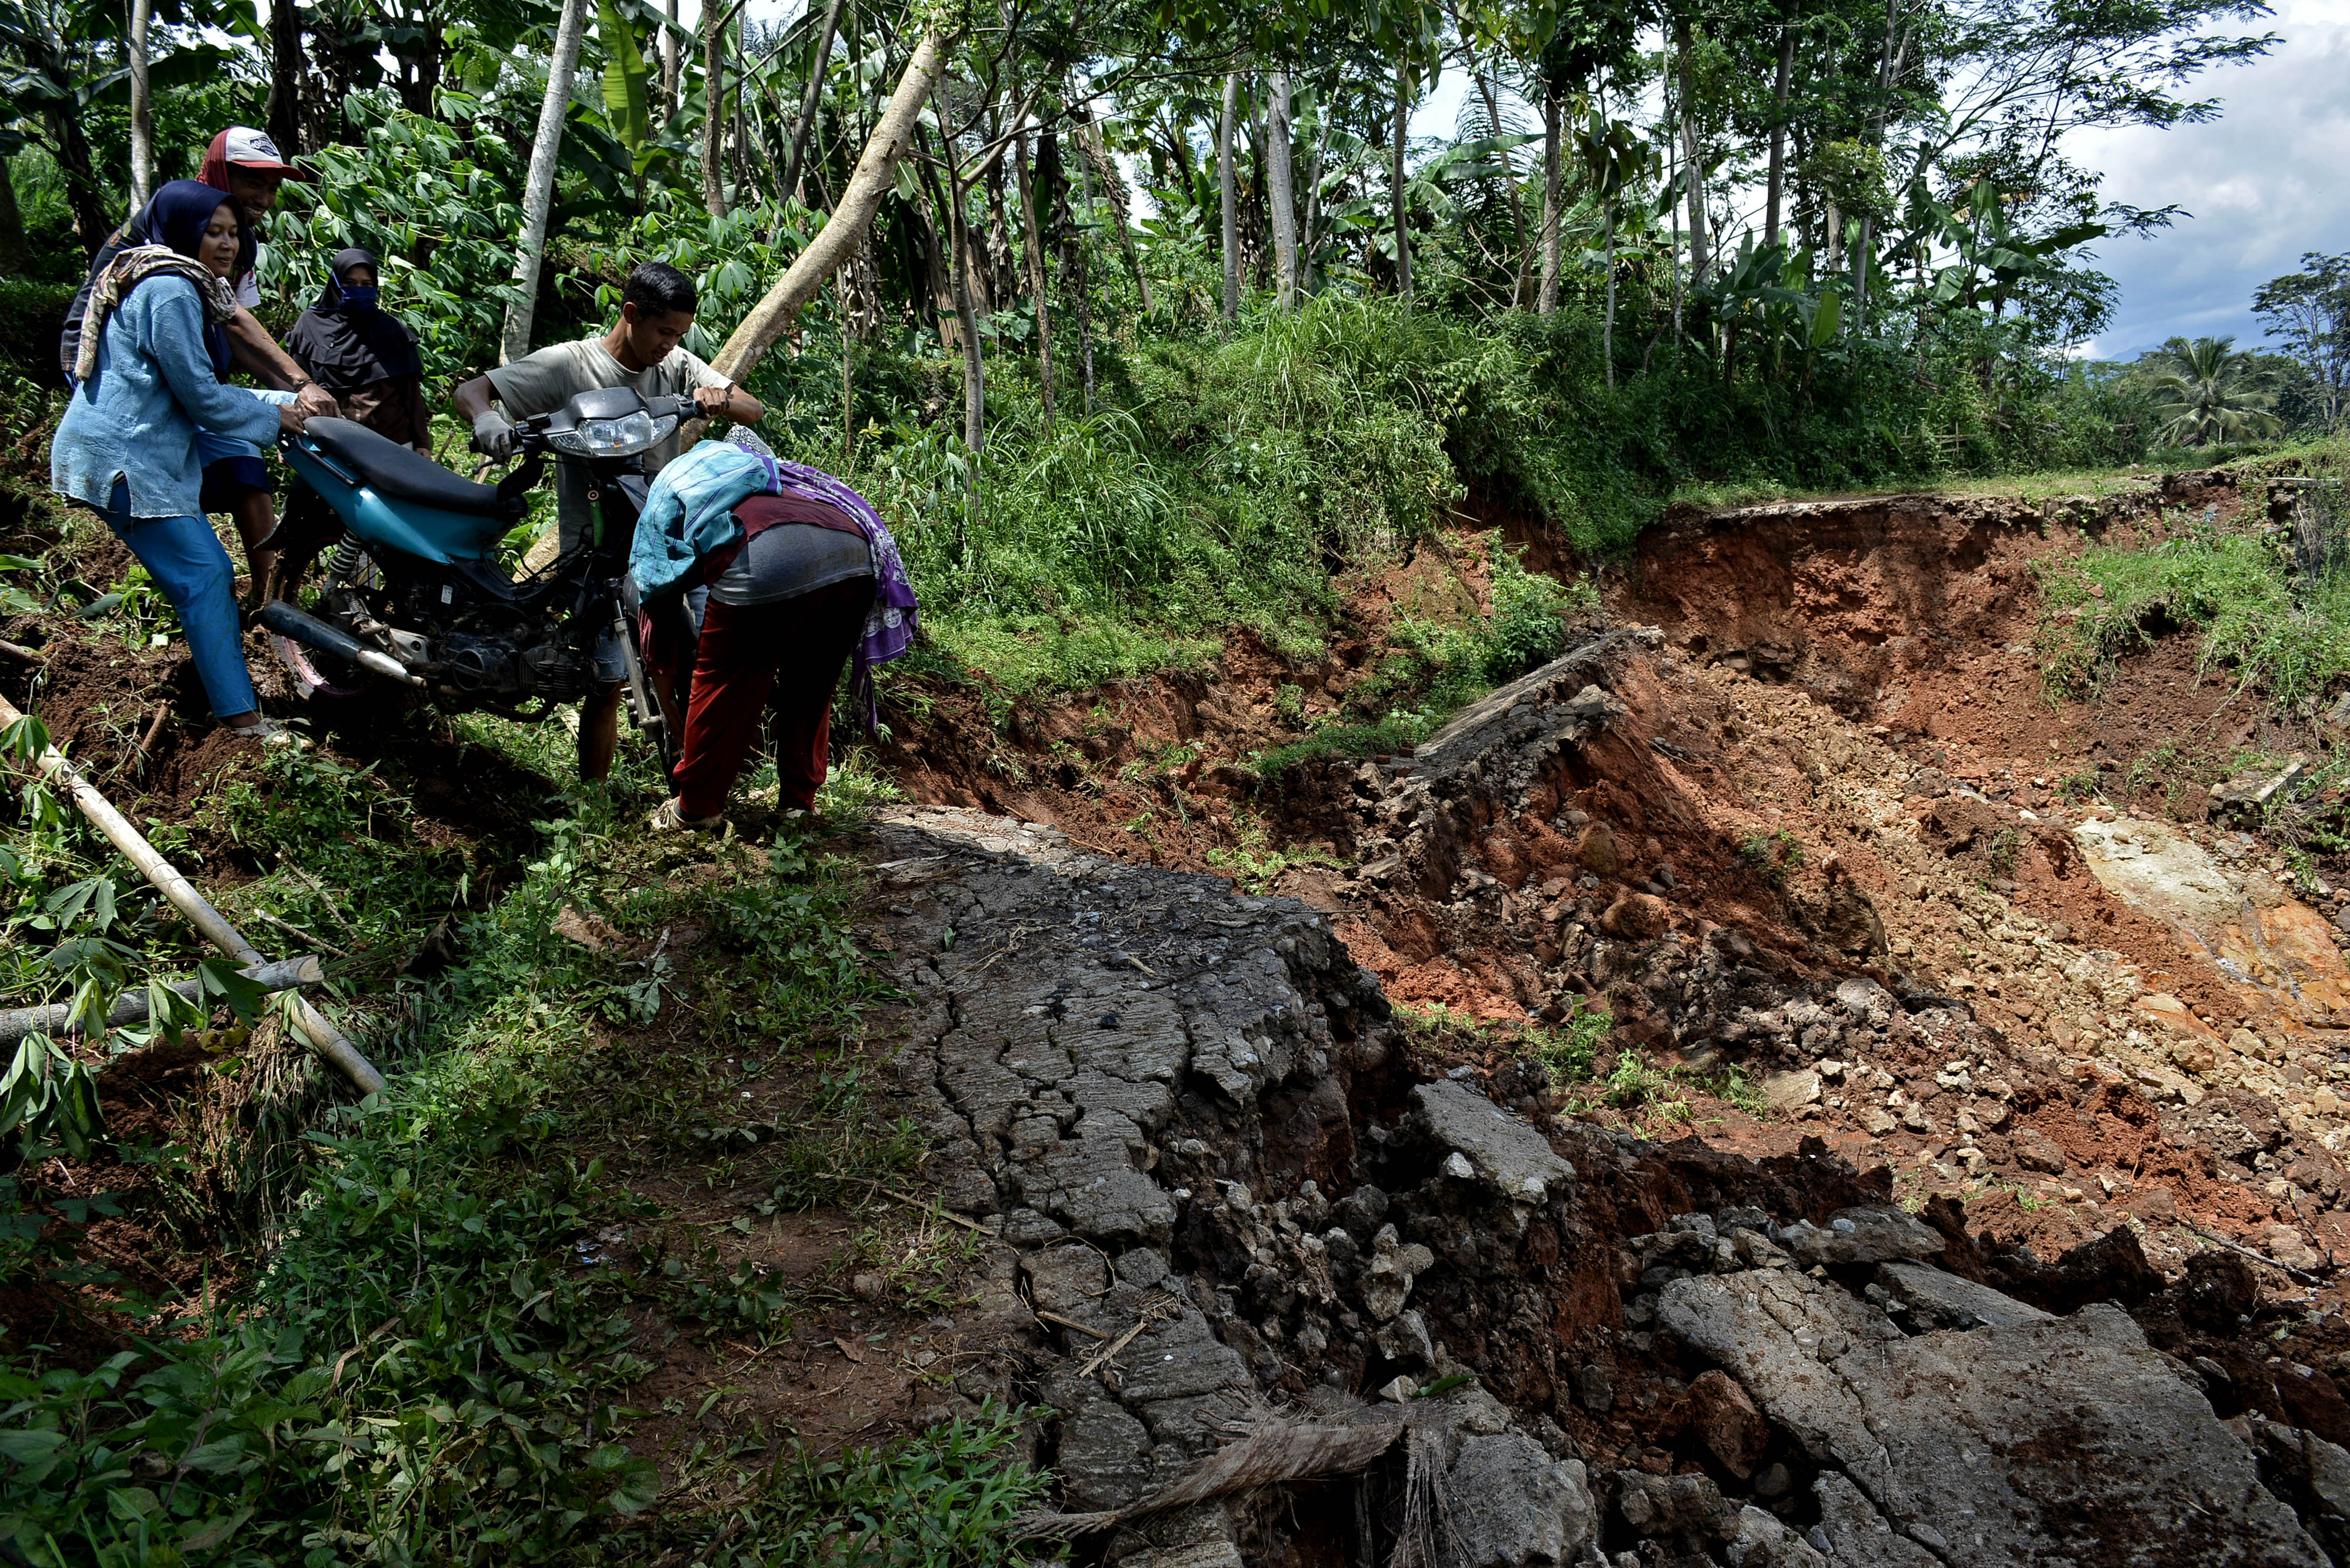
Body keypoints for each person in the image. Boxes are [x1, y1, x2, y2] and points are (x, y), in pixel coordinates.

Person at [451, 261, 765, 781]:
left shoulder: (678, 364)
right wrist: (488, 420)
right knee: (605, 678)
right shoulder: (569, 365)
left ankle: (703, 779)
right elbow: (471, 391)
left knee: (701, 650)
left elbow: (752, 409)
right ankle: (592, 801)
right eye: (663, 331)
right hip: (593, 549)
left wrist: (722, 397)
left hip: (666, 542)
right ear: (631, 314)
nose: (670, 344)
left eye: (679, 334)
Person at [50, 180, 308, 740]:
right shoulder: (171, 290)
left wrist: (289, 401)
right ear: (181, 230)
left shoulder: (172, 280)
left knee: (211, 543)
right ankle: (240, 718)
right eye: (211, 231)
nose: (226, 245)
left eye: (234, 233)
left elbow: (193, 393)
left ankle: (229, 688)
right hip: (122, 459)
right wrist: (277, 416)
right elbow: (202, 395)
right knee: (206, 573)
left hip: (133, 444)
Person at [59, 126, 338, 604]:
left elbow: (232, 318)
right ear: (217, 174)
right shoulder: (176, 220)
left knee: (244, 461)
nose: (264, 198)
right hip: (123, 375)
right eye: (254, 182)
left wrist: (298, 390)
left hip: (189, 365)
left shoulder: (239, 242)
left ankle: (269, 602)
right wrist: (296, 383)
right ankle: (208, 583)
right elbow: (230, 324)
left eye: (273, 187)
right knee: (180, 466)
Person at [629, 439, 918, 832]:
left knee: (725, 682)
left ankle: (695, 810)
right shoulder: (770, 471)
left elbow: (659, 630)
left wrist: (674, 717)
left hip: (765, 555)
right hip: (855, 554)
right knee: (811, 684)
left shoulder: (666, 496)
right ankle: (798, 806)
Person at [283, 249, 431, 452]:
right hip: (327, 443)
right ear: (335, 283)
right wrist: (289, 439)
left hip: (392, 444)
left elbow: (411, 394)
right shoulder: (310, 325)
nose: (358, 290)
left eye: (366, 285)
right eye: (349, 283)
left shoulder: (391, 329)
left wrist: (423, 443)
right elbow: (294, 387)